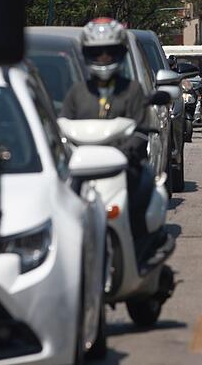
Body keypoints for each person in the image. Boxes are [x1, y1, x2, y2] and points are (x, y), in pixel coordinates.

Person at [61, 17, 155, 245]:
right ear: (86, 54)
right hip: (81, 172)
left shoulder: (133, 90)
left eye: (110, 52)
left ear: (120, 53)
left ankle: (141, 249)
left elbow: (142, 131)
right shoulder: (76, 93)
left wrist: (124, 153)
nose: (103, 58)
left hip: (123, 170)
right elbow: (61, 130)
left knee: (144, 192)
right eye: (97, 52)